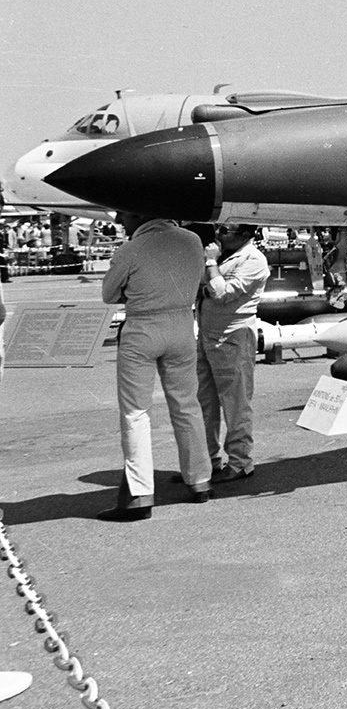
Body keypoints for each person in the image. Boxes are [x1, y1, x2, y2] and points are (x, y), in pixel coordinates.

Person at [99, 213, 209, 520]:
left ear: (139, 212)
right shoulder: (192, 240)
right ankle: (200, 480)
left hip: (143, 327)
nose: (120, 219)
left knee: (136, 412)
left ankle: (139, 495)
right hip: (183, 324)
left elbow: (108, 294)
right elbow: (199, 280)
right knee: (187, 405)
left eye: (122, 212)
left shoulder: (132, 248)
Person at [197, 222, 268, 484]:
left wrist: (211, 263)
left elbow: (220, 293)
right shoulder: (223, 256)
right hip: (207, 336)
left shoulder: (254, 260)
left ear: (246, 236)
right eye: (219, 228)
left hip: (233, 338)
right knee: (204, 403)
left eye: (226, 231)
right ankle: (207, 460)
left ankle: (240, 462)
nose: (218, 234)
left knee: (235, 403)